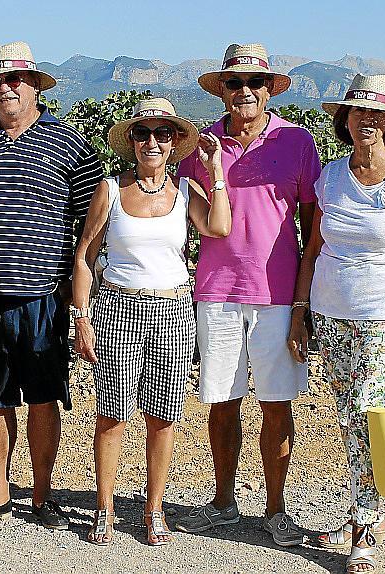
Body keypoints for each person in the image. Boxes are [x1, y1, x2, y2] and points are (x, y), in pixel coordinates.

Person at [0, 41, 102, 530]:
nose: (5, 88)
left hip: (44, 294)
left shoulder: (71, 145)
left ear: (35, 85)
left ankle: (40, 494)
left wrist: (83, 303)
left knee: (42, 396)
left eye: (14, 79)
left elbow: (90, 228)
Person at [287, 74, 385, 573]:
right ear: (344, 121)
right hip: (330, 315)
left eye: (376, 114)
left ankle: (365, 529)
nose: (365, 121)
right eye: (357, 113)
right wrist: (300, 310)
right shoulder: (329, 176)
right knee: (349, 419)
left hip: (383, 317)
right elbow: (313, 248)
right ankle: (357, 512)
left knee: (368, 420)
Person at [173, 43, 320, 547]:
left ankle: (275, 510)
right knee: (222, 401)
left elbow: (311, 225)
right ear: (222, 90)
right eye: (234, 83)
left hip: (278, 296)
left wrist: (303, 303)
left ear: (267, 88)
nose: (245, 91)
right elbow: (190, 214)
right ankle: (224, 502)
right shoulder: (200, 146)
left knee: (277, 404)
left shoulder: (297, 142)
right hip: (215, 292)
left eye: (254, 83)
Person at [72, 97, 231, 546]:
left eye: (163, 134)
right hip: (117, 309)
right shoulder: (109, 190)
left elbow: (220, 227)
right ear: (131, 142)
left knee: (163, 418)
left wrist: (215, 172)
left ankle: (154, 509)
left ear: (176, 142)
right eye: (142, 133)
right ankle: (104, 509)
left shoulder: (186, 193)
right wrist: (81, 317)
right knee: (112, 415)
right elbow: (85, 256)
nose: (152, 142)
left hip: (174, 310)